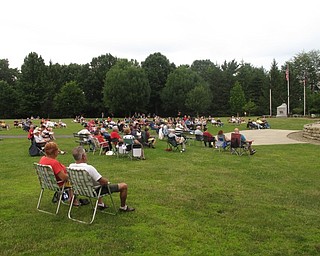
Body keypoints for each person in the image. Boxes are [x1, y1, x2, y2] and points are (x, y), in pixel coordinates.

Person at [69, 146, 135, 212]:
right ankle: (123, 207)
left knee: (96, 182)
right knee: (123, 186)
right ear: (83, 156)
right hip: (93, 191)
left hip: (81, 190)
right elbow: (103, 182)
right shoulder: (88, 168)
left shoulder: (71, 167)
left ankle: (100, 204)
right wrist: (107, 181)